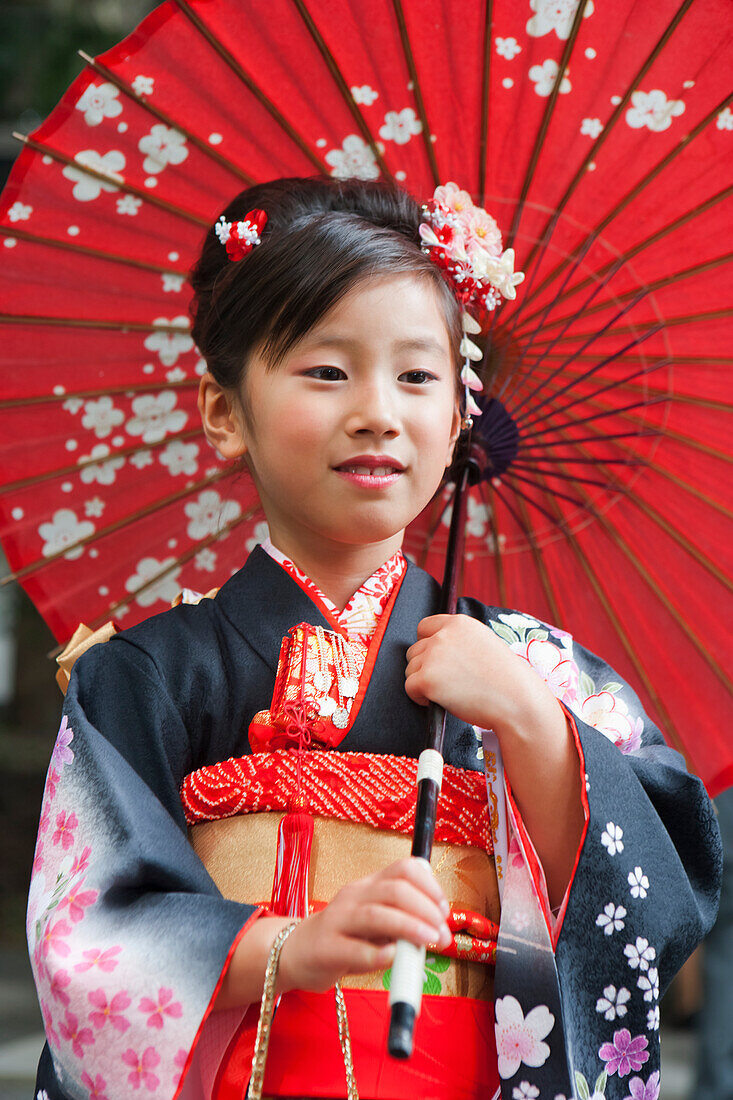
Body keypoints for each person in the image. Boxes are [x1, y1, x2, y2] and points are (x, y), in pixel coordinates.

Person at [27, 177, 721, 1100]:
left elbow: (658, 893)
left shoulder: (528, 666)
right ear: (224, 410)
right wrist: (289, 944)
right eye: (327, 370)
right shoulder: (146, 673)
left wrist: (530, 721)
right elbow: (92, 929)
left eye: (417, 375)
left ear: (459, 420)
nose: (378, 411)